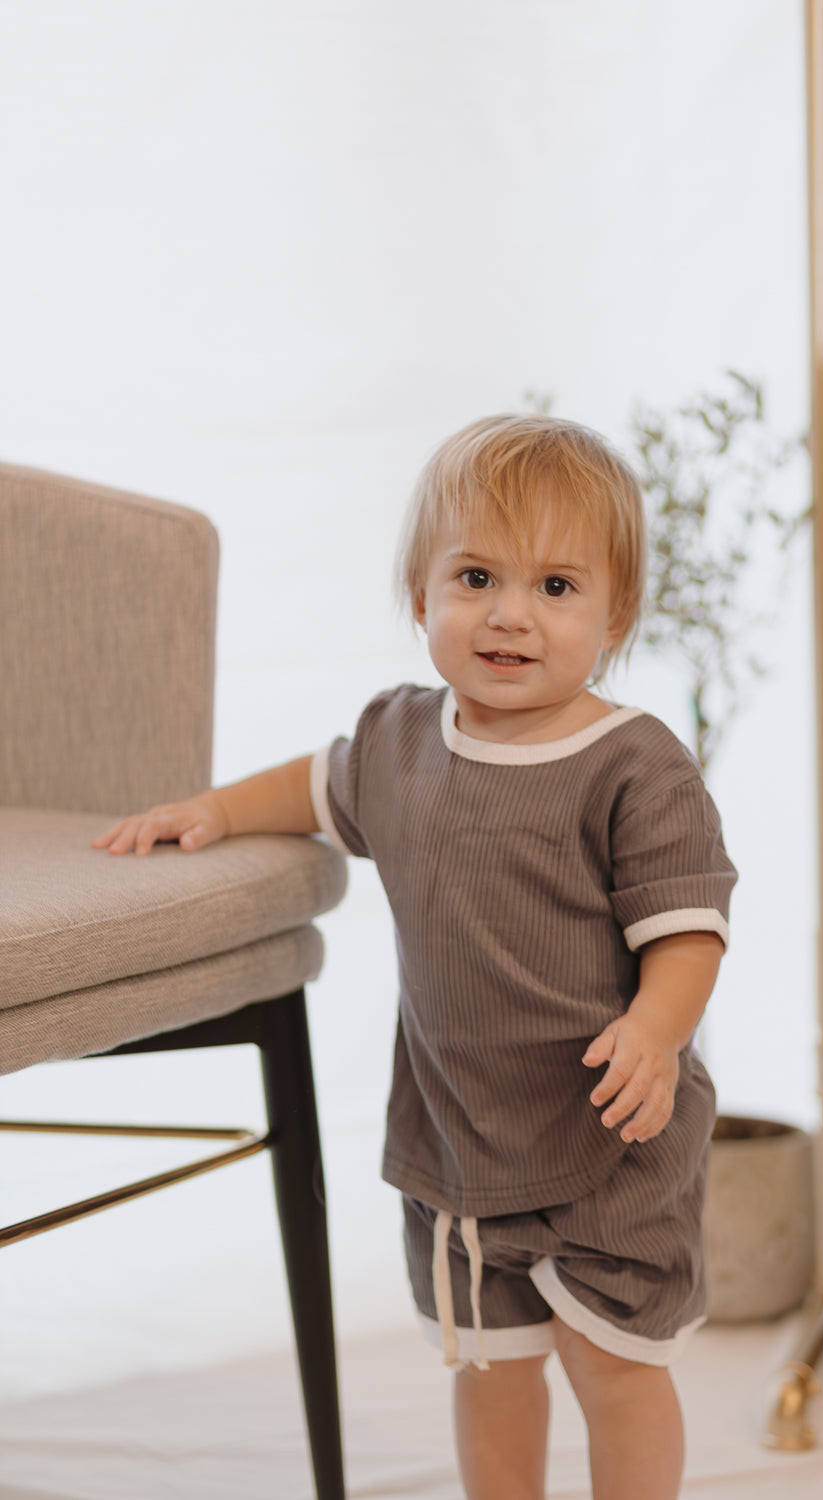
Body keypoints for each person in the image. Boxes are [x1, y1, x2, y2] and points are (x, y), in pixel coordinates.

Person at [94, 413, 737, 1500]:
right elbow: (316, 784)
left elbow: (687, 924)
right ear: (420, 593)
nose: (509, 614)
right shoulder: (400, 742)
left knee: (615, 1369)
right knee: (488, 1366)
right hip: (460, 1142)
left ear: (616, 613)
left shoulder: (634, 767)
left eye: (555, 587)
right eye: (476, 577)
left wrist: (657, 1027)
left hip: (608, 1139)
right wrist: (215, 809)